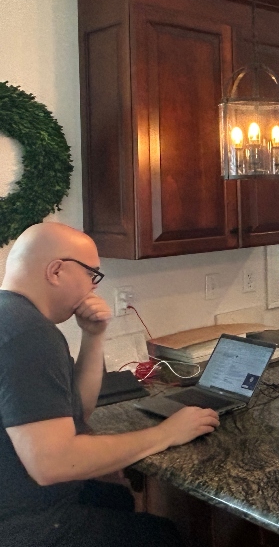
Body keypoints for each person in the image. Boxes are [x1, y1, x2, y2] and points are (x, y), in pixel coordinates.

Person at [0, 222, 220, 547]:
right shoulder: (31, 336)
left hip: (20, 503)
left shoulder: (13, 318)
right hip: (29, 527)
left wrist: (93, 336)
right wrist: (166, 434)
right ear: (56, 271)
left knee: (116, 498)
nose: (93, 288)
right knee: (163, 536)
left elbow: (79, 413)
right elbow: (53, 462)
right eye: (92, 274)